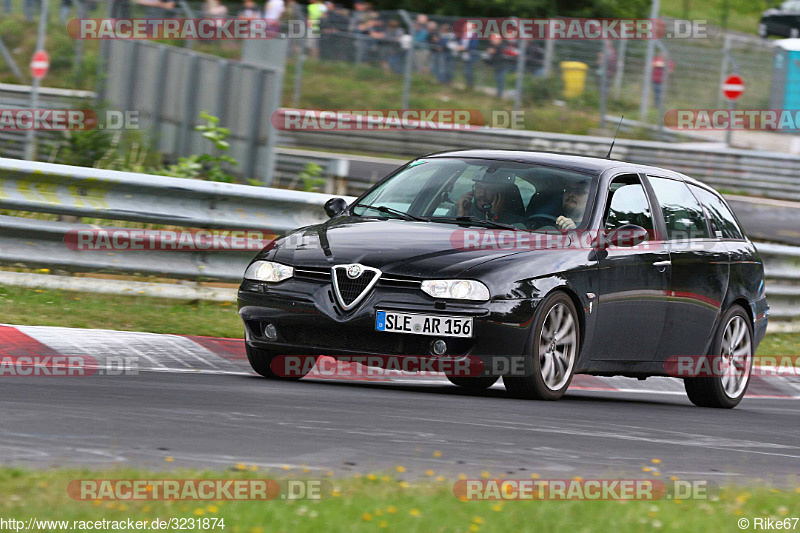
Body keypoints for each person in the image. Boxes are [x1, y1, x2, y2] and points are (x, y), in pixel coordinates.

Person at [451, 171, 526, 226]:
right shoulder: (460, 209)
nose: (482, 194)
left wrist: (493, 218)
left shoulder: (516, 221)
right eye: (479, 187)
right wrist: (461, 216)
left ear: (501, 194)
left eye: (489, 189)